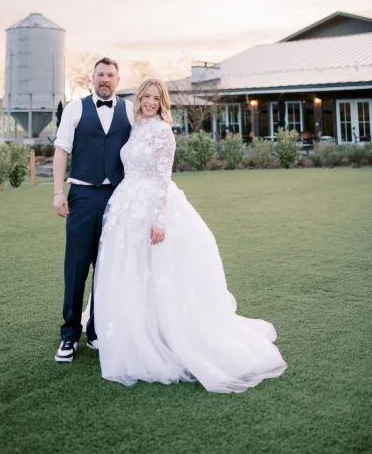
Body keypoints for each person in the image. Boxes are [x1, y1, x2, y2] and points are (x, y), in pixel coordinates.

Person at [94, 79, 287, 392]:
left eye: (157, 98)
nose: (150, 102)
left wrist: (158, 221)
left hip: (152, 208)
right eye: (147, 96)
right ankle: (137, 330)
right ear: (140, 98)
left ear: (162, 102)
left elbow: (162, 178)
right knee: (132, 270)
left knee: (158, 271)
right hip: (127, 205)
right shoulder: (136, 127)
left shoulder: (162, 131)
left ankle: (165, 335)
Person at [53, 57, 134, 363]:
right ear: (92, 77)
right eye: (100, 74)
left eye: (110, 75)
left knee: (108, 267)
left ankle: (96, 330)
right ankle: (69, 335)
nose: (105, 79)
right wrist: (59, 192)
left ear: (117, 79)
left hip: (118, 198)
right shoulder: (75, 109)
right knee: (76, 267)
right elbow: (61, 150)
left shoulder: (129, 110)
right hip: (82, 197)